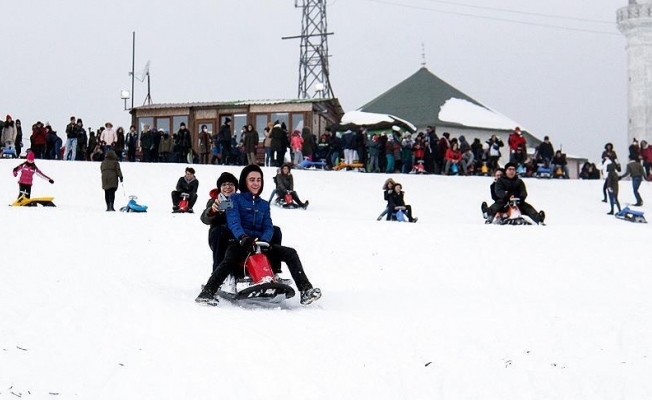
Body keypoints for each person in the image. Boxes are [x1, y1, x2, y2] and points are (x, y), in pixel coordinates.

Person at [195, 164, 322, 306]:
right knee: (230, 254)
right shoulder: (233, 200)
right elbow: (233, 221)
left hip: (259, 242)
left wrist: (265, 241)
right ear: (245, 182)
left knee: (290, 252)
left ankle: (305, 289)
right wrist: (242, 237)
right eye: (252, 180)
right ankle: (208, 291)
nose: (255, 183)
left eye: (258, 180)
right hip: (238, 240)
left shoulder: (263, 204)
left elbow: (268, 224)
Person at [201, 172, 284, 274]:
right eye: (224, 185)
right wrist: (213, 211)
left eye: (231, 184)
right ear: (220, 188)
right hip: (224, 237)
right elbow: (205, 218)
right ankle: (218, 273)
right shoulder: (215, 201)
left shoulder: (242, 200)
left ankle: (274, 269)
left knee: (275, 230)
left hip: (243, 234)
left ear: (236, 187)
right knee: (219, 231)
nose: (228, 187)